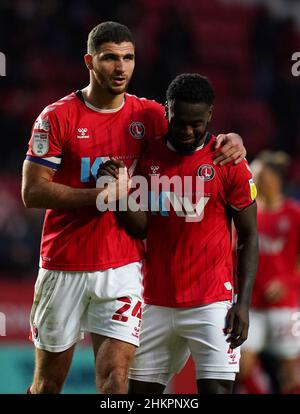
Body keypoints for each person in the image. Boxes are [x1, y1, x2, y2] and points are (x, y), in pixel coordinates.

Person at [22, 21, 247, 394]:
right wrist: (100, 197)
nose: (121, 67)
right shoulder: (56, 117)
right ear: (90, 61)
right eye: (110, 58)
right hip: (64, 263)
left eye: (128, 58)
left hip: (123, 266)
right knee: (48, 384)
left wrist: (231, 138)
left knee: (115, 381)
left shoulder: (149, 115)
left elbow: (194, 130)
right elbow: (32, 192)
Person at [98, 73, 258, 394]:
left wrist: (243, 303)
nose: (187, 130)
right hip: (154, 301)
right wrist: (115, 196)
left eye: (196, 124)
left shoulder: (228, 161)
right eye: (180, 121)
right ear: (168, 109)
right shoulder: (149, 156)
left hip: (212, 304)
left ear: (210, 115)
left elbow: (250, 236)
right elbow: (140, 228)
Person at [238, 151, 300, 394]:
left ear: (275, 179)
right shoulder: (246, 214)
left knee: (289, 372)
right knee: (243, 367)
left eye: (258, 174)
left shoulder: (294, 215)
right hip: (250, 304)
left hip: (286, 306)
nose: (252, 178)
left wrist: (286, 281)